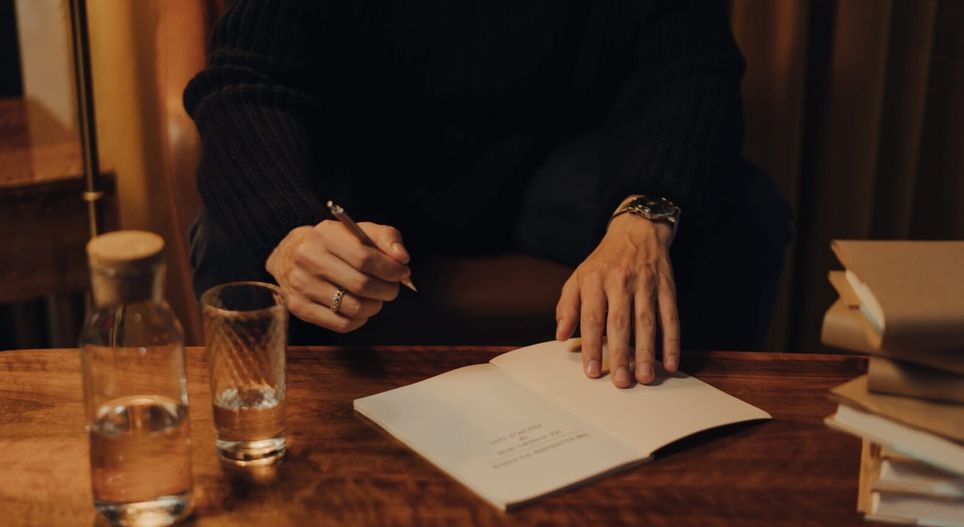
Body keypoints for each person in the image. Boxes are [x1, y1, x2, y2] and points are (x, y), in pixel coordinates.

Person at [185, 1, 792, 389]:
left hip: (553, 161)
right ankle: (293, 466)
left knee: (742, 213)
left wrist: (646, 211)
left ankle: (696, 464)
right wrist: (290, 231)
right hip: (366, 172)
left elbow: (693, 64)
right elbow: (245, 79)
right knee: (232, 242)